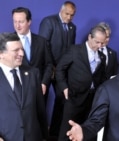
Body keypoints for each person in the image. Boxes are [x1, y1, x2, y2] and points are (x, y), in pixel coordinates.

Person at [56, 25, 107, 141]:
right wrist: (64, 87)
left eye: (102, 43)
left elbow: (102, 77)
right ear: (89, 37)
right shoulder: (75, 50)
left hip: (92, 100)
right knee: (67, 131)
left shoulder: (102, 57)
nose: (99, 46)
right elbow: (60, 69)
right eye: (97, 42)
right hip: (74, 97)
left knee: (87, 131)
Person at [0, 32, 48, 141]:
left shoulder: (33, 73)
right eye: (16, 50)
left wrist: (45, 137)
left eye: (21, 49)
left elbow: (40, 110)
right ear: (1, 54)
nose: (22, 53)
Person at [38, 1, 77, 136]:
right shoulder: (49, 22)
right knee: (41, 100)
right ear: (61, 10)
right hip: (48, 68)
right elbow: (43, 46)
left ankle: (54, 133)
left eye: (72, 15)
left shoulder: (73, 27)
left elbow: (70, 50)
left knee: (62, 99)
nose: (69, 18)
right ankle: (40, 133)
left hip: (61, 70)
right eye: (67, 14)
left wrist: (62, 68)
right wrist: (51, 66)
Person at [12, 7, 54, 100]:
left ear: (29, 22)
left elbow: (49, 64)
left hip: (39, 91)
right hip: (18, 92)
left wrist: (44, 82)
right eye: (15, 21)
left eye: (21, 22)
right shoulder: (8, 42)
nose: (17, 26)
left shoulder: (41, 41)